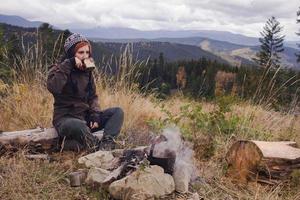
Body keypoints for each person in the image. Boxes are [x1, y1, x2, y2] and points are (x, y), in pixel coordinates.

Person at [47, 33, 124, 152]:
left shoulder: (86, 71)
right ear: (72, 53)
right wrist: (69, 63)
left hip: (84, 117)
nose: (85, 56)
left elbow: (92, 96)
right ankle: (96, 147)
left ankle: (107, 145)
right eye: (80, 52)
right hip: (66, 119)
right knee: (78, 125)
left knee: (118, 112)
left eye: (87, 52)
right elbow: (54, 88)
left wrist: (95, 115)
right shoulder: (59, 68)